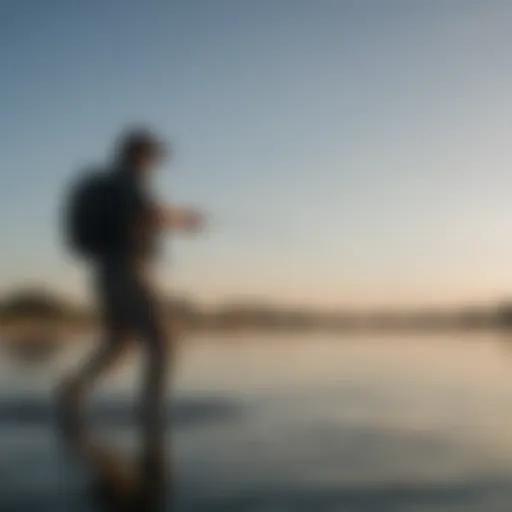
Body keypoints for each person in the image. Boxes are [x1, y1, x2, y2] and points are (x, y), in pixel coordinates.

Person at [57, 128, 203, 509]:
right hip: (128, 271)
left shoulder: (111, 182)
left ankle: (73, 390)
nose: (156, 163)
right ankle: (151, 413)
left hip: (108, 273)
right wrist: (184, 219)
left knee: (120, 343)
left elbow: (141, 217)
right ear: (140, 154)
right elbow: (149, 215)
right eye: (154, 156)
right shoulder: (129, 179)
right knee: (163, 340)